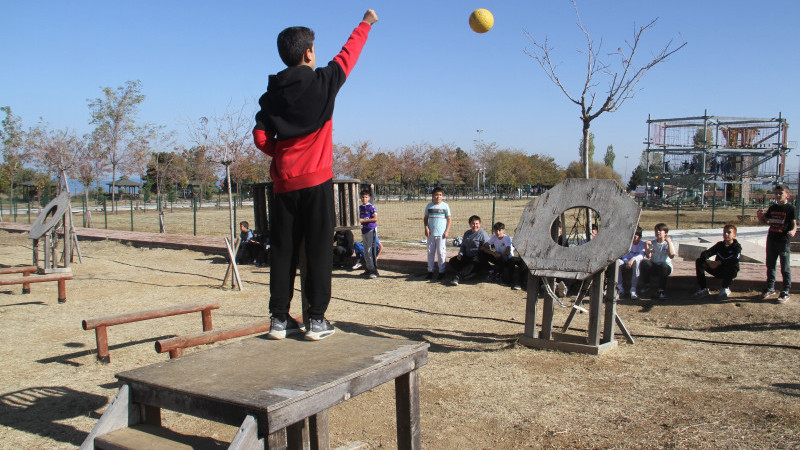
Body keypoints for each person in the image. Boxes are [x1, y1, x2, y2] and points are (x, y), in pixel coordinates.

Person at [252, 9, 379, 341]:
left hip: (283, 186)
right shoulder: (324, 81)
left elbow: (260, 137)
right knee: (320, 250)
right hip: (316, 182)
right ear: (309, 52)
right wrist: (365, 23)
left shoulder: (271, 95)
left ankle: (279, 319)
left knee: (283, 250)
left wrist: (280, 154)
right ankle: (316, 320)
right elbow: (349, 54)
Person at [756, 184, 797, 303]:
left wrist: (793, 231)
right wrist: (760, 217)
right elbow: (765, 220)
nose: (778, 196)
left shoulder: (790, 209)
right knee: (770, 265)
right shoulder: (773, 208)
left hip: (783, 241)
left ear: (787, 195)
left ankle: (785, 291)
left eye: (781, 193)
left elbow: (794, 224)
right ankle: (770, 288)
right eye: (776, 194)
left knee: (785, 267)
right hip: (771, 239)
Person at [693, 224, 742, 300]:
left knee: (733, 265)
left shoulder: (737, 247)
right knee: (699, 261)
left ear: (734, 235)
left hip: (729, 273)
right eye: (724, 232)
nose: (726, 234)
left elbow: (734, 259)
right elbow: (705, 253)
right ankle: (703, 289)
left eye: (729, 232)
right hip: (718, 270)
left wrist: (719, 262)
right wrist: (708, 261)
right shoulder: (720, 245)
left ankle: (725, 288)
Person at [448, 215, 490, 286]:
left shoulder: (483, 234)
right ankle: (470, 273)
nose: (475, 225)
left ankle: (457, 277)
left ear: (480, 224)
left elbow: (487, 248)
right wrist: (460, 254)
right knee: (453, 261)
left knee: (472, 264)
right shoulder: (467, 233)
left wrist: (479, 257)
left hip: (476, 259)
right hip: (467, 256)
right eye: (473, 223)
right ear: (470, 224)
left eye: (477, 223)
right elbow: (463, 245)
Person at [639, 223, 676, 300]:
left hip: (665, 267)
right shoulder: (653, 243)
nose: (657, 232)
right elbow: (648, 256)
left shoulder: (668, 243)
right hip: (655, 266)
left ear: (665, 233)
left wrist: (669, 242)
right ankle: (647, 285)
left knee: (663, 266)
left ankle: (661, 290)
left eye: (660, 230)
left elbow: (671, 255)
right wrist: (646, 246)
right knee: (644, 262)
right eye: (656, 230)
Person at [423, 187, 452, 280]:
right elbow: (425, 218)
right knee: (430, 253)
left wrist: (447, 231)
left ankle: (441, 272)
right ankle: (430, 271)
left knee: (441, 253)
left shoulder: (445, 206)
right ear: (432, 196)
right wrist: (426, 228)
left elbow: (449, 219)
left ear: (442, 196)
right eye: (436, 195)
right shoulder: (429, 206)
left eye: (440, 195)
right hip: (431, 234)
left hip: (441, 234)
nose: (438, 197)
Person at [616, 227, 646, 299]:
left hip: (636, 262)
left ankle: (633, 289)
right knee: (618, 262)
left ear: (639, 237)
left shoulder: (642, 244)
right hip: (626, 262)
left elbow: (641, 255)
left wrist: (633, 259)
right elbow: (625, 254)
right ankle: (620, 288)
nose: (633, 239)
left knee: (637, 263)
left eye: (635, 237)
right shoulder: (627, 243)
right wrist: (627, 261)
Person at [358, 189, 379, 278]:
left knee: (371, 250)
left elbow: (375, 219)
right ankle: (368, 269)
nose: (364, 199)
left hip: (371, 229)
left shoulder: (371, 207)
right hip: (364, 230)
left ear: (369, 198)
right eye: (363, 197)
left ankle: (374, 270)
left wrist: (364, 220)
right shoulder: (360, 207)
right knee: (366, 250)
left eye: (366, 197)